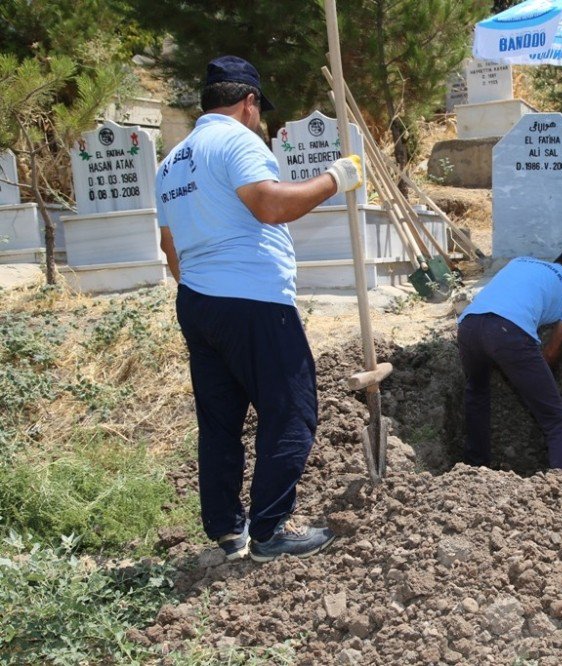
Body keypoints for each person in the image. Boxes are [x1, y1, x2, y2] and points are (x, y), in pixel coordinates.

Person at [156, 56, 365, 563]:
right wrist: (337, 178)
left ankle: (229, 530)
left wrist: (207, 295)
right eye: (258, 109)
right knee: (292, 411)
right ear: (248, 102)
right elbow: (270, 204)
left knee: (221, 420)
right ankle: (269, 531)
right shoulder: (235, 140)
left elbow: (169, 248)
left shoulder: (170, 162)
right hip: (251, 300)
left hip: (198, 303)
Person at [457, 251, 562, 478]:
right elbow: (553, 347)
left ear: (556, 263)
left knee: (477, 395)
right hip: (508, 332)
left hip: (468, 325)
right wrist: (540, 380)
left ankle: (474, 470)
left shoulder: (520, 261)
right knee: (557, 421)